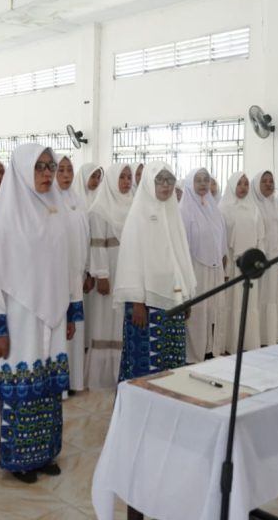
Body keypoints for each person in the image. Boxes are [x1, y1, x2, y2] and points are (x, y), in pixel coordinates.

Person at [0, 143, 80, 484]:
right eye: (40, 167)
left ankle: (46, 452)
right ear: (22, 171)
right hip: (18, 318)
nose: (48, 174)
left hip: (52, 313)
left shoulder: (57, 210)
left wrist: (69, 312)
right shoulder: (3, 218)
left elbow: (68, 264)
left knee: (47, 387)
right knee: (23, 387)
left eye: (51, 167)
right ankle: (21, 459)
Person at [115, 162, 196, 381]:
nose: (166, 185)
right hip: (146, 305)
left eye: (170, 180)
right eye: (160, 180)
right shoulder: (138, 215)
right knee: (146, 365)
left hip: (174, 302)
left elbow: (181, 259)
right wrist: (136, 301)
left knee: (172, 365)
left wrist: (186, 296)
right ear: (149, 183)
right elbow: (131, 261)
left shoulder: (173, 213)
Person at [85, 163, 134, 388]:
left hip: (128, 270)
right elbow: (97, 245)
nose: (125, 181)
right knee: (106, 319)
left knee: (122, 319)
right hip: (110, 271)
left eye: (128, 177)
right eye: (121, 177)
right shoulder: (99, 208)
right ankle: (103, 376)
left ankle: (122, 372)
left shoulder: (134, 205)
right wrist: (101, 274)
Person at [180, 168, 227, 362]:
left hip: (214, 268)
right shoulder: (183, 210)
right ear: (190, 183)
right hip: (194, 268)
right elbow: (182, 245)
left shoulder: (213, 208)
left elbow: (222, 236)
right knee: (197, 312)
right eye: (198, 180)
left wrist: (223, 259)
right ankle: (192, 354)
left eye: (206, 180)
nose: (202, 184)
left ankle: (208, 349)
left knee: (212, 309)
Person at [219, 172, 265, 352]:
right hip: (233, 264)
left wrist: (259, 260)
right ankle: (230, 344)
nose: (243, 187)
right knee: (233, 302)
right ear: (231, 185)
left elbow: (261, 236)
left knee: (249, 303)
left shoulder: (254, 209)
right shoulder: (223, 209)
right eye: (239, 183)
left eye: (246, 184)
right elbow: (222, 240)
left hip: (250, 265)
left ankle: (248, 342)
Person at [55, 154, 89, 394]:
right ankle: (60, 386)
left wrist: (86, 270)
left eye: (69, 170)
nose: (66, 175)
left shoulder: (77, 201)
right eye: (61, 170)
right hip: (56, 278)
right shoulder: (49, 203)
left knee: (74, 332)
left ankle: (75, 381)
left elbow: (84, 238)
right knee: (59, 331)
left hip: (76, 275)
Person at [251, 171, 278, 345]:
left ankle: (271, 337)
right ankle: (256, 337)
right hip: (259, 260)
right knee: (259, 297)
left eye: (271, 181)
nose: (268, 184)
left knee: (274, 297)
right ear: (257, 185)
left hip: (276, 260)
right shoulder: (253, 206)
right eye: (264, 181)